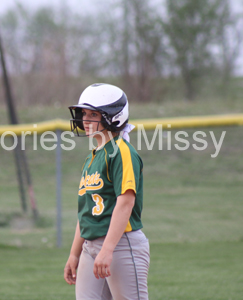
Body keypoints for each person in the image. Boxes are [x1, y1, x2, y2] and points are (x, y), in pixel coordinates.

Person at [64, 83, 150, 300]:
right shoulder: (93, 156)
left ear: (114, 117)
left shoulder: (121, 152)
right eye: (84, 113)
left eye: (93, 114)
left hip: (121, 244)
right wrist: (75, 253)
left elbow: (126, 203)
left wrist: (108, 249)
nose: (85, 120)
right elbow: (87, 212)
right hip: (90, 246)